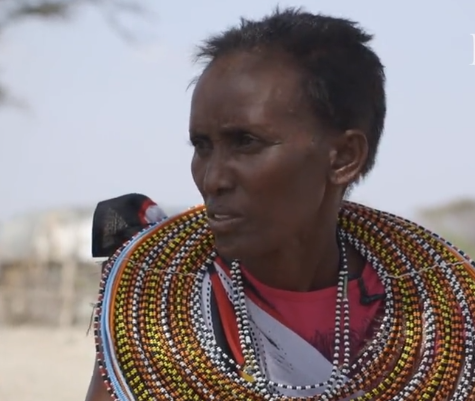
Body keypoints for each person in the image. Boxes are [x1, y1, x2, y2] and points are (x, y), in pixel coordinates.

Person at [84, 7, 475, 401]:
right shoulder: (157, 310)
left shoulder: (444, 321)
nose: (212, 179)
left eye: (246, 142)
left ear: (343, 157)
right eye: (202, 146)